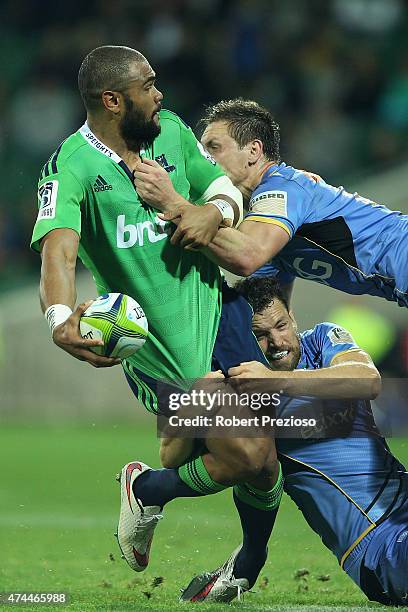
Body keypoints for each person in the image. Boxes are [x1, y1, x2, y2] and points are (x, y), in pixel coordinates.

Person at [30, 46, 282, 584]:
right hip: (160, 349)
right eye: (148, 85)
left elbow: (218, 186)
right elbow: (59, 250)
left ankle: (245, 567)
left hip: (218, 313)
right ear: (114, 100)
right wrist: (58, 317)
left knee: (263, 462)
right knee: (246, 454)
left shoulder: (169, 130)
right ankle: (146, 490)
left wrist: (213, 212)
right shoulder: (70, 166)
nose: (160, 94)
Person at [172, 276, 408, 606]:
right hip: (377, 547)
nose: (277, 342)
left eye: (281, 326)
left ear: (293, 317)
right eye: (260, 336)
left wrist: (278, 381)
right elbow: (178, 457)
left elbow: (368, 380)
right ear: (244, 340)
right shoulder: (238, 394)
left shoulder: (322, 339)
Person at [152, 98, 408, 308]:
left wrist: (173, 203)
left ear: (253, 151)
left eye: (213, 147)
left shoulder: (282, 188)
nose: (204, 158)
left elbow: (247, 255)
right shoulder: (259, 222)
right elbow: (272, 307)